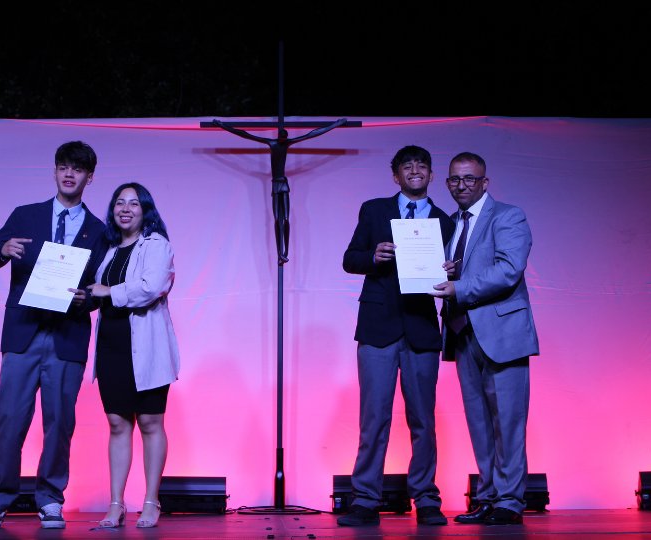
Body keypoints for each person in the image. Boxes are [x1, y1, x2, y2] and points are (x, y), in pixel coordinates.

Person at [0, 141, 107, 529]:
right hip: (24, 334)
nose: (69, 174)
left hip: (67, 336)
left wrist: (87, 299)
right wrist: (2, 248)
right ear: (54, 171)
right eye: (63, 167)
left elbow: (101, 288)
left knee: (60, 423)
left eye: (77, 169)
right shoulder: (26, 215)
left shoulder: (100, 231)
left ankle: (50, 497)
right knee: (9, 417)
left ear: (89, 177)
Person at [338, 145, 455, 527]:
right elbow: (350, 258)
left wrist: (451, 272)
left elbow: (455, 274)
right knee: (373, 418)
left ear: (431, 175)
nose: (415, 170)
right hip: (378, 327)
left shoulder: (444, 221)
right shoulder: (374, 210)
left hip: (421, 327)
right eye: (408, 165)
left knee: (423, 420)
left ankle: (426, 498)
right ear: (396, 176)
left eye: (422, 165)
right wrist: (374, 257)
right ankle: (365, 499)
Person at [431, 152, 539, 525]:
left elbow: (509, 269)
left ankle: (509, 501)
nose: (461, 186)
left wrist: (459, 287)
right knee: (479, 422)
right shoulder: (450, 224)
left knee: (507, 422)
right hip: (462, 333)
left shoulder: (508, 216)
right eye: (454, 179)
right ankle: (488, 497)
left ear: (484, 182)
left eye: (469, 179)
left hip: (502, 334)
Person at [86, 182, 179, 529]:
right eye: (119, 203)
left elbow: (150, 288)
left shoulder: (157, 245)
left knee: (151, 423)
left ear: (145, 211)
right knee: (117, 424)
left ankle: (152, 501)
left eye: (134, 203)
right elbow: (97, 292)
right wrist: (86, 296)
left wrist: (107, 291)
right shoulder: (109, 249)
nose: (125, 209)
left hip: (147, 347)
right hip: (112, 344)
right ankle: (116, 504)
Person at [211, 118, 347, 264]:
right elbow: (245, 134)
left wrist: (335, 124)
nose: (283, 141)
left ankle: (285, 253)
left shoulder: (287, 143)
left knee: (286, 219)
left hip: (283, 183)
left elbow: (312, 134)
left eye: (285, 139)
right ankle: (280, 254)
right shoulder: (272, 143)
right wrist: (222, 125)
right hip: (275, 184)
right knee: (277, 219)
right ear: (279, 137)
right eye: (282, 139)